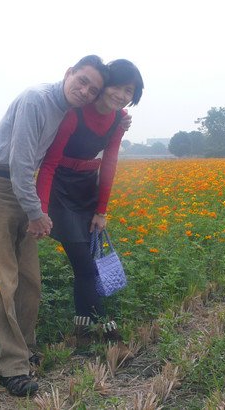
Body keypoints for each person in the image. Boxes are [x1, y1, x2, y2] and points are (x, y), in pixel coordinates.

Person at [0, 55, 109, 397]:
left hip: (23, 190)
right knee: (3, 281)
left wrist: (120, 118)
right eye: (82, 81)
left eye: (92, 90)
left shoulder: (67, 110)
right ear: (68, 74)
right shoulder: (37, 99)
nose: (85, 91)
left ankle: (26, 346)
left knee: (29, 281)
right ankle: (11, 366)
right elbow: (19, 161)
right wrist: (37, 212)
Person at [35, 59, 144, 350]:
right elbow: (49, 163)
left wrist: (101, 210)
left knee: (86, 266)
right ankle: (108, 331)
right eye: (116, 87)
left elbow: (109, 162)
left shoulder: (118, 120)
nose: (120, 95)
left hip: (86, 190)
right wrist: (40, 210)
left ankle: (81, 333)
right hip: (60, 190)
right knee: (85, 265)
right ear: (103, 85)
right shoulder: (75, 115)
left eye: (129, 90)